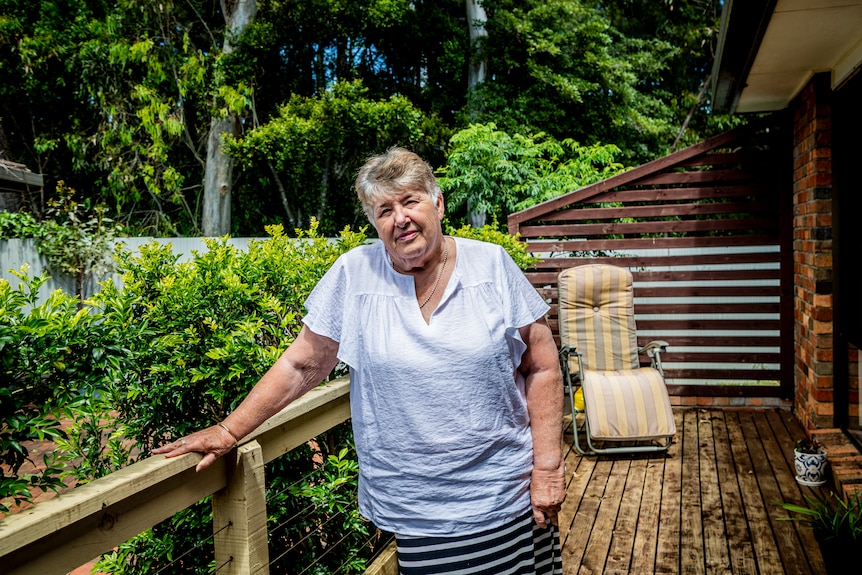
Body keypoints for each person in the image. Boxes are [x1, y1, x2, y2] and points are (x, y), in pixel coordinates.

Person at [154, 147, 566, 574]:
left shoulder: (491, 265)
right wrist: (227, 430)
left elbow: (542, 366)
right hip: (415, 505)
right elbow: (302, 364)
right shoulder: (354, 273)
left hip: (504, 490)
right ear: (374, 224)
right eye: (384, 209)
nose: (400, 218)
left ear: (438, 203)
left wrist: (548, 467)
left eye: (410, 201)